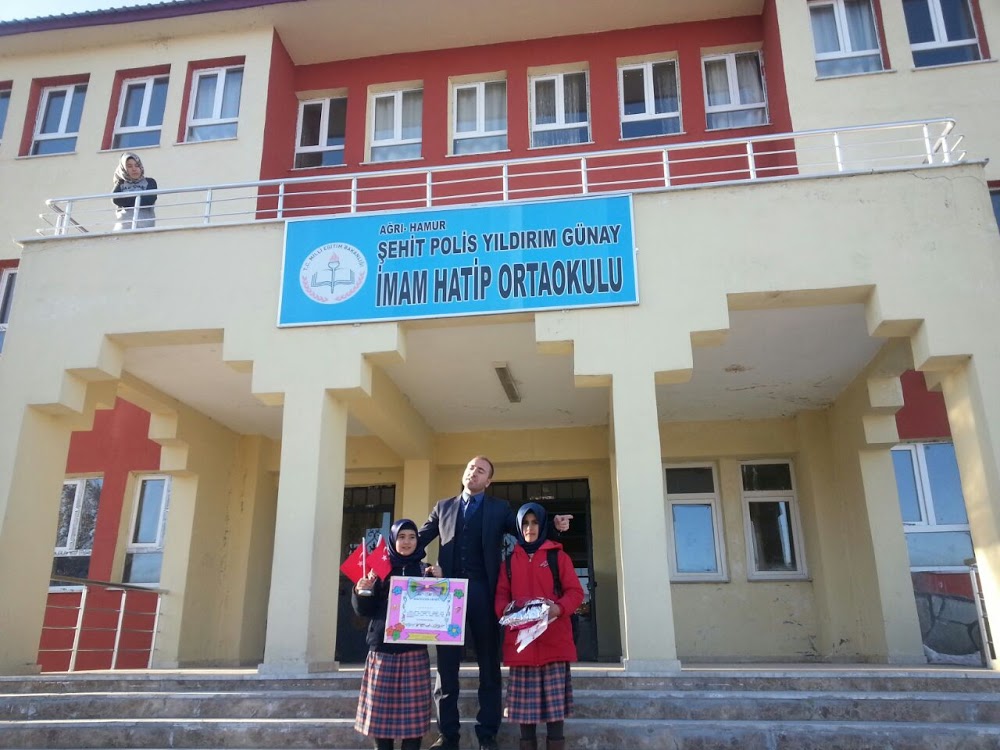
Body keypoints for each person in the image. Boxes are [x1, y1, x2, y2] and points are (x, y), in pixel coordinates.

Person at [418, 456, 572, 750]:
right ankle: (448, 736)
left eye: (480, 470)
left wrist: (553, 526)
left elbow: (526, 531)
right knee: (446, 669)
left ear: (488, 481)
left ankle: (487, 734)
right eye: (470, 467)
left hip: (484, 593)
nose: (473, 473)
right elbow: (418, 541)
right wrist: (424, 567)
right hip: (449, 596)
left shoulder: (499, 508)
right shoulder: (443, 507)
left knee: (488, 665)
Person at [495, 502, 584, 750]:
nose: (529, 528)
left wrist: (559, 608)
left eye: (535, 522)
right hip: (522, 647)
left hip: (553, 644)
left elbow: (575, 592)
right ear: (518, 527)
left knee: (555, 715)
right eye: (525, 523)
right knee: (525, 717)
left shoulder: (558, 557)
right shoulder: (509, 563)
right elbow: (501, 596)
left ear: (542, 525)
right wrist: (507, 612)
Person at [353, 519, 434, 750]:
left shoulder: (426, 571)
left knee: (413, 723)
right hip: (382, 651)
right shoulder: (379, 569)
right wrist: (362, 590)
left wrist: (439, 581)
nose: (407, 542)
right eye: (401, 537)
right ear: (393, 540)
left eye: (412, 537)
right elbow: (364, 611)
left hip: (413, 652)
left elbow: (437, 610)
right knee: (381, 722)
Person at [112, 152, 157, 230]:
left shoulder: (149, 182)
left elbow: (149, 200)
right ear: (123, 168)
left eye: (137, 165)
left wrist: (126, 200)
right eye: (129, 166)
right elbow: (116, 199)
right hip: (122, 227)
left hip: (144, 226)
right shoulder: (121, 183)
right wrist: (138, 198)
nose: (134, 169)